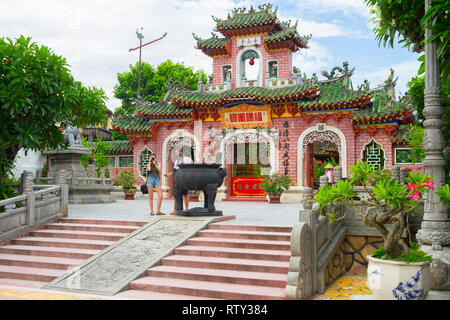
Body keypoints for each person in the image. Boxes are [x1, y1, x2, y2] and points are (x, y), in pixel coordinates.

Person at [165, 148, 193, 215]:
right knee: (176, 194)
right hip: (177, 178)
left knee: (185, 194)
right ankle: (175, 210)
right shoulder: (177, 160)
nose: (177, 154)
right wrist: (168, 174)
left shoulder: (188, 159)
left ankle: (186, 209)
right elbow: (175, 170)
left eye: (178, 152)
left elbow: (190, 168)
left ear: (182, 152)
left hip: (185, 178)